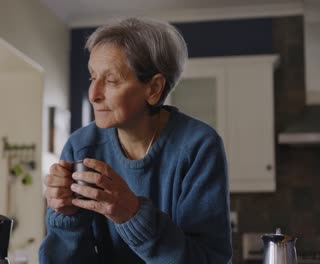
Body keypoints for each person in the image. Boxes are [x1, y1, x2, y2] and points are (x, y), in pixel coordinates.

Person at [39, 17, 232, 264]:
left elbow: (208, 260)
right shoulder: (80, 146)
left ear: (153, 89)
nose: (93, 94)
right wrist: (67, 218)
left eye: (110, 80)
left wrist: (132, 215)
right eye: (92, 77)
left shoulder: (198, 147)